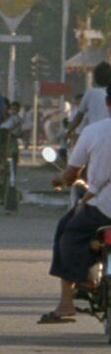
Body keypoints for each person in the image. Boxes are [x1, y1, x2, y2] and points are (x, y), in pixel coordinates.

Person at [41, 112, 111, 324]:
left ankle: (66, 303)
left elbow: (71, 174)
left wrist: (59, 179)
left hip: (103, 208)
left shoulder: (94, 131)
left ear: (108, 103)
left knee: (67, 231)